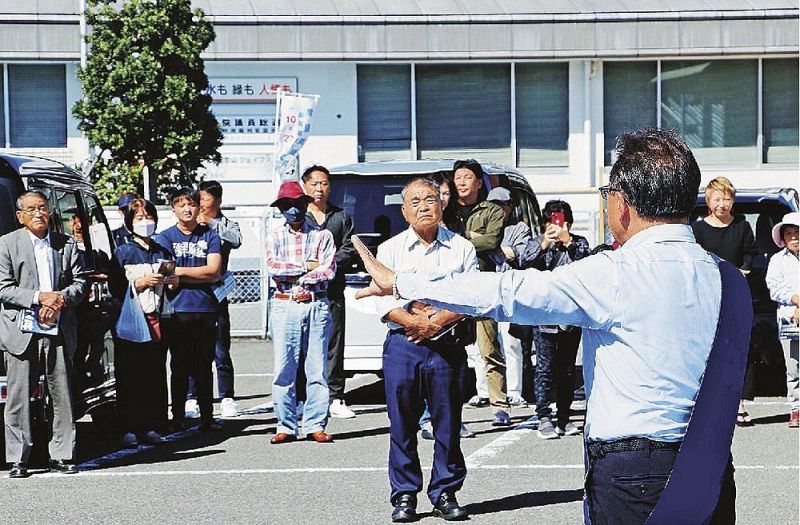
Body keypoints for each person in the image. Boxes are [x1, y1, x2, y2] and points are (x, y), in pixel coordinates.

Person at [354, 129, 748, 524]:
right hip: (711, 464)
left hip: (634, 473)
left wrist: (402, 281)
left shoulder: (614, 273)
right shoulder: (730, 280)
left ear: (622, 203)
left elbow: (510, 291)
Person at [374, 177, 476, 522]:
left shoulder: (462, 248)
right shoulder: (389, 250)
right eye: (415, 201)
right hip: (403, 345)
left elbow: (469, 296)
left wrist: (436, 323)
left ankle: (445, 491)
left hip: (447, 346)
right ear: (404, 211)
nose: (423, 207)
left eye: (430, 199)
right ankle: (404, 494)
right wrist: (415, 323)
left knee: (447, 423)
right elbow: (385, 301)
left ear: (442, 204)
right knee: (402, 424)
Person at [0, 191, 88, 477]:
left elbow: (80, 282)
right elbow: (4, 288)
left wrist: (59, 300)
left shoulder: (66, 244)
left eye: (42, 208)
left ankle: (62, 454)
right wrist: (39, 298)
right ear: (20, 216)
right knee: (19, 397)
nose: (38, 213)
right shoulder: (6, 244)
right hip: (21, 330)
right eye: (31, 209)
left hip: (58, 328)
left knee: (61, 394)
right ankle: (18, 458)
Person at [266, 180, 336, 444]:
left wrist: (301, 274)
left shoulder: (322, 235)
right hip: (285, 303)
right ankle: (285, 424)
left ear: (305, 204)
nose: (292, 210)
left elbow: (328, 270)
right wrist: (306, 269)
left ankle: (315, 423)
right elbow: (274, 267)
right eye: (286, 206)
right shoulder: (274, 235)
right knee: (284, 367)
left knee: (317, 367)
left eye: (296, 204)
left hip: (316, 303)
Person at [521, 200, 592, 439]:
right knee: (544, 368)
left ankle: (564, 416)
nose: (557, 225)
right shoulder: (537, 242)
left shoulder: (578, 242)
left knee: (568, 369)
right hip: (544, 315)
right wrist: (545, 243)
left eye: (561, 221)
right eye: (552, 221)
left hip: (571, 316)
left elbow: (587, 262)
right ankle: (544, 416)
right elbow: (524, 263)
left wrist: (568, 241)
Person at [692, 176, 758, 426]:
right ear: (708, 201)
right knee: (707, 352)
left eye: (727, 199)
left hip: (736, 295)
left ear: (733, 201)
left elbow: (751, 253)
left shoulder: (741, 226)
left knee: (736, 351)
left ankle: (738, 403)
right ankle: (708, 406)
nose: (722, 204)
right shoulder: (698, 229)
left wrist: (744, 269)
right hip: (707, 299)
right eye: (717, 199)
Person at [155, 187, 223, 432]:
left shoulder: (210, 235)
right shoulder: (164, 237)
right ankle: (178, 416)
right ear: (173, 208)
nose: (187, 209)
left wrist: (181, 273)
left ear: (199, 207)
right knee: (179, 364)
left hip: (204, 308)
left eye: (192, 204)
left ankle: (207, 415)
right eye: (181, 205)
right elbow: (165, 274)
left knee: (204, 364)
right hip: (176, 309)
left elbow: (213, 270)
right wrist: (198, 275)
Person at [451, 159, 511, 427]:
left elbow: (492, 240)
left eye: (467, 177)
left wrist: (462, 241)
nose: (461, 182)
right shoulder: (446, 209)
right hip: (451, 286)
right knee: (452, 350)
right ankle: (453, 411)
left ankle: (499, 405)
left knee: (489, 347)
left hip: (481, 286)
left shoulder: (491, 210)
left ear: (478, 182)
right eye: (458, 177)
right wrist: (472, 238)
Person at [114, 198, 176, 446]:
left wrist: (172, 281)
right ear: (129, 223)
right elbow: (115, 287)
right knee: (130, 375)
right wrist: (139, 283)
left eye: (149, 217)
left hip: (157, 316)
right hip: (132, 320)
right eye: (139, 218)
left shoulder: (161, 250)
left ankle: (152, 424)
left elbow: (172, 282)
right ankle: (128, 427)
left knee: (154, 373)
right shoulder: (123, 251)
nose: (146, 223)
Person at [302, 165, 358, 420]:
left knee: (334, 342)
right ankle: (306, 396)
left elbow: (350, 246)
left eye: (324, 183)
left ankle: (335, 396)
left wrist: (327, 262)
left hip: (333, 288)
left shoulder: (341, 216)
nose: (319, 189)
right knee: (304, 344)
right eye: (314, 183)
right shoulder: (299, 216)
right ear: (305, 185)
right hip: (304, 291)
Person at [184, 180, 243, 420]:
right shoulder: (191, 221)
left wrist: (212, 224)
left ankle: (227, 397)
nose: (199, 204)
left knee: (221, 347)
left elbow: (237, 240)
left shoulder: (227, 223)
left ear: (217, 200)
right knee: (191, 347)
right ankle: (191, 397)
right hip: (192, 291)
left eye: (204, 199)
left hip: (216, 291)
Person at [486, 187, 533, 409]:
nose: (495, 209)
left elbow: (520, 255)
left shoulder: (518, 228)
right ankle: (482, 391)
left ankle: (515, 391)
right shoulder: (482, 225)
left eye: (500, 205)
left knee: (511, 343)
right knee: (482, 346)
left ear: (509, 207)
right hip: (485, 291)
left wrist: (499, 248)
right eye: (491, 205)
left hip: (509, 293)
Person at [765, 212, 800, 428]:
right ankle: (796, 408)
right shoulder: (777, 261)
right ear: (783, 238)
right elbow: (774, 287)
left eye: (798, 233)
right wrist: (796, 301)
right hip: (789, 320)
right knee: (793, 366)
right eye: (790, 234)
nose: (795, 238)